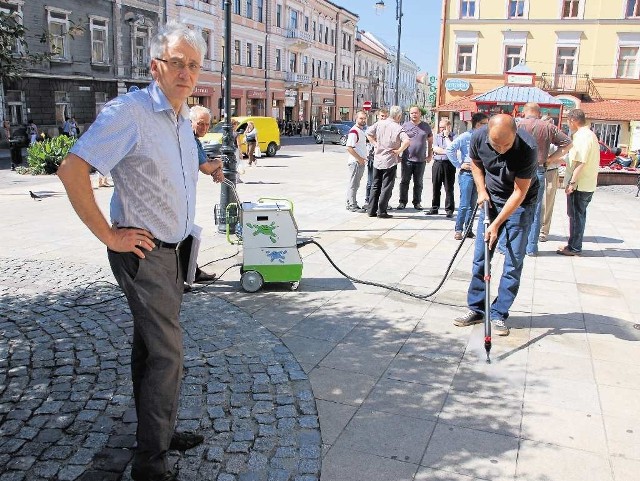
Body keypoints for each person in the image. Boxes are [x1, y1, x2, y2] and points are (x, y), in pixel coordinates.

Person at [57, 21, 210, 481]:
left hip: (177, 250)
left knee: (150, 348)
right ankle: (150, 464)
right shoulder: (131, 112)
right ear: (155, 66)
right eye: (177, 63)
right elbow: (71, 170)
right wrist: (109, 234)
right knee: (168, 355)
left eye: (194, 65)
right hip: (144, 254)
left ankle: (155, 434)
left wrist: (208, 166)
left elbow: (170, 169)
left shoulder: (183, 118)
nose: (186, 72)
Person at [454, 114, 538, 337]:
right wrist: (481, 191)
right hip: (490, 200)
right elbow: (475, 163)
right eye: (496, 145)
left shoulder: (527, 148)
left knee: (513, 261)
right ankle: (476, 309)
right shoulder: (478, 137)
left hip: (519, 204)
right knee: (482, 258)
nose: (501, 150)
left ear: (515, 134)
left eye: (507, 145)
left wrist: (497, 224)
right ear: (487, 134)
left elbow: (520, 192)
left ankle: (499, 313)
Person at [518, 103, 572, 256]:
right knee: (535, 209)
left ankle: (508, 244)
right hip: (540, 169)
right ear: (538, 112)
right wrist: (551, 158)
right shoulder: (548, 127)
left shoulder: (518, 125)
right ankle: (531, 247)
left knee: (514, 205)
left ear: (525, 111)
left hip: (520, 170)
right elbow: (568, 143)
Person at [186, 104, 225, 287]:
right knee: (182, 234)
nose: (204, 128)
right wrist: (218, 165)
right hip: (180, 194)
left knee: (186, 232)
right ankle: (183, 277)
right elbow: (207, 168)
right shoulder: (189, 139)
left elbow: (207, 165)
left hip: (185, 192)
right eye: (200, 123)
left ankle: (192, 271)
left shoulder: (193, 139)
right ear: (191, 122)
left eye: (208, 124)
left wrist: (216, 167)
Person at [557, 108, 600, 256]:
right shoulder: (590, 135)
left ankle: (574, 247)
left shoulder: (582, 136)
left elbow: (581, 162)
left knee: (576, 217)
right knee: (577, 215)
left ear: (573, 121)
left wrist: (572, 183)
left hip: (580, 185)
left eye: (568, 122)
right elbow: (573, 158)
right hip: (587, 183)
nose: (568, 125)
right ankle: (572, 244)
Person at [446, 112, 489, 240]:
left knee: (474, 204)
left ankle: (468, 229)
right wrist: (459, 164)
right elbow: (450, 149)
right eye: (484, 124)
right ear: (477, 124)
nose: (487, 127)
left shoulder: (486, 137)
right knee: (464, 203)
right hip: (467, 174)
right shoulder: (466, 136)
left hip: (480, 174)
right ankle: (458, 229)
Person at [365, 105, 410, 219]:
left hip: (378, 159)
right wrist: (399, 150)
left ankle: (371, 210)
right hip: (390, 160)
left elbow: (368, 133)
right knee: (387, 186)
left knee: (375, 185)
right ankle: (382, 211)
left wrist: (375, 143)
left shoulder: (380, 123)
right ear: (399, 116)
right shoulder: (398, 128)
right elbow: (407, 141)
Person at [397, 106, 433, 210]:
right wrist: (398, 154)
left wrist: (430, 154)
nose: (414, 115)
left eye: (416, 113)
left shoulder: (426, 126)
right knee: (404, 181)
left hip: (420, 160)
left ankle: (417, 202)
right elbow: (399, 140)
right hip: (407, 159)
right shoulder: (405, 126)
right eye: (412, 113)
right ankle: (402, 202)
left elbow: (430, 141)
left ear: (420, 114)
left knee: (418, 182)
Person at [427, 118, 456, 217]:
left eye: (443, 128)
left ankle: (449, 209)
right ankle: (434, 207)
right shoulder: (437, 137)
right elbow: (435, 149)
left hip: (449, 164)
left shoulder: (454, 137)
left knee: (448, 187)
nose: (441, 130)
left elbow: (453, 149)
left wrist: (447, 139)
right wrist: (447, 151)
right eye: (440, 127)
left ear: (449, 127)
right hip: (438, 162)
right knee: (436, 186)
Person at [363, 109, 388, 209]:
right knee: (371, 181)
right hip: (373, 157)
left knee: (382, 182)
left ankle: (380, 201)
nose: (383, 118)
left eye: (385, 116)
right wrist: (375, 144)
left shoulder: (388, 127)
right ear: (378, 116)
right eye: (382, 116)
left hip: (384, 158)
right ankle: (368, 200)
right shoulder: (374, 127)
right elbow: (367, 135)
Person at [345, 110, 368, 212]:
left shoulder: (360, 130)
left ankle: (349, 202)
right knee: (354, 184)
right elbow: (349, 147)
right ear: (356, 118)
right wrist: (359, 159)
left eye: (364, 118)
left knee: (355, 184)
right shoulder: (354, 131)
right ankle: (352, 205)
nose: (363, 120)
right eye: (360, 118)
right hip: (356, 162)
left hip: (359, 162)